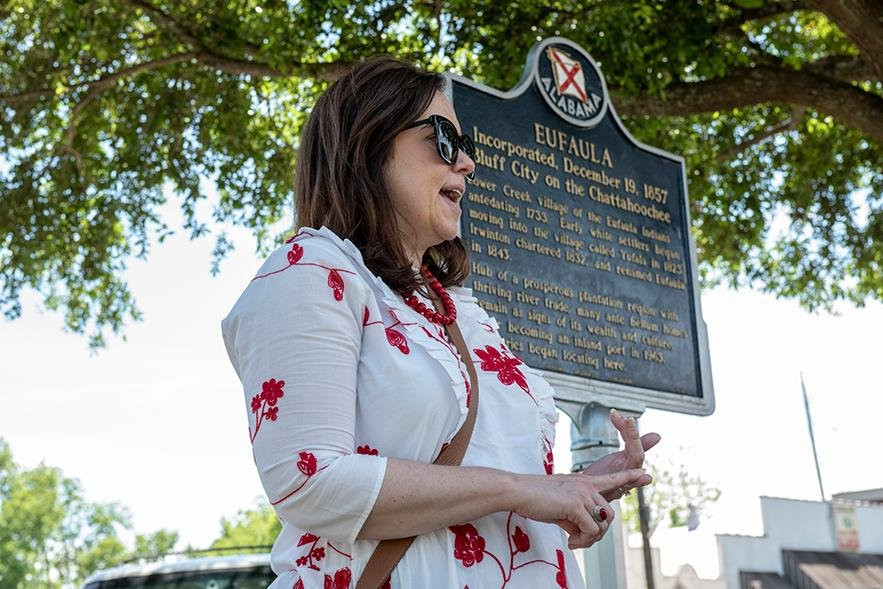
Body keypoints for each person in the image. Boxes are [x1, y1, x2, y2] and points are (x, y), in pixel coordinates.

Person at [221, 57, 660, 589]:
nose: (468, 164)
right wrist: (518, 488)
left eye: (466, 145)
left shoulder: (457, 311)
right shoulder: (311, 272)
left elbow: (484, 481)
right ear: (368, 145)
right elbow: (309, 481)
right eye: (444, 140)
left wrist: (573, 488)